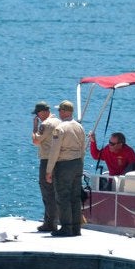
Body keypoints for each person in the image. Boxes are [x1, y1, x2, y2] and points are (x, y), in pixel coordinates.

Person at [45, 100, 86, 237]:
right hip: (77, 163)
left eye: (60, 110)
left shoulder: (60, 128)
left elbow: (55, 151)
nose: (59, 113)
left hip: (64, 164)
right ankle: (76, 228)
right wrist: (80, 163)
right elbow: (82, 148)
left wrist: (49, 170)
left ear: (64, 111)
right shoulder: (79, 127)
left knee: (63, 196)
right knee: (75, 197)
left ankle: (66, 227)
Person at [31, 101, 61, 232]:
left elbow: (36, 141)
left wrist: (35, 127)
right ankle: (54, 220)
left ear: (43, 112)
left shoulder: (46, 124)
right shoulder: (59, 122)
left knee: (47, 191)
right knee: (55, 192)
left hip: (47, 159)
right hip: (59, 160)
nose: (38, 116)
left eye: (38, 114)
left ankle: (49, 223)